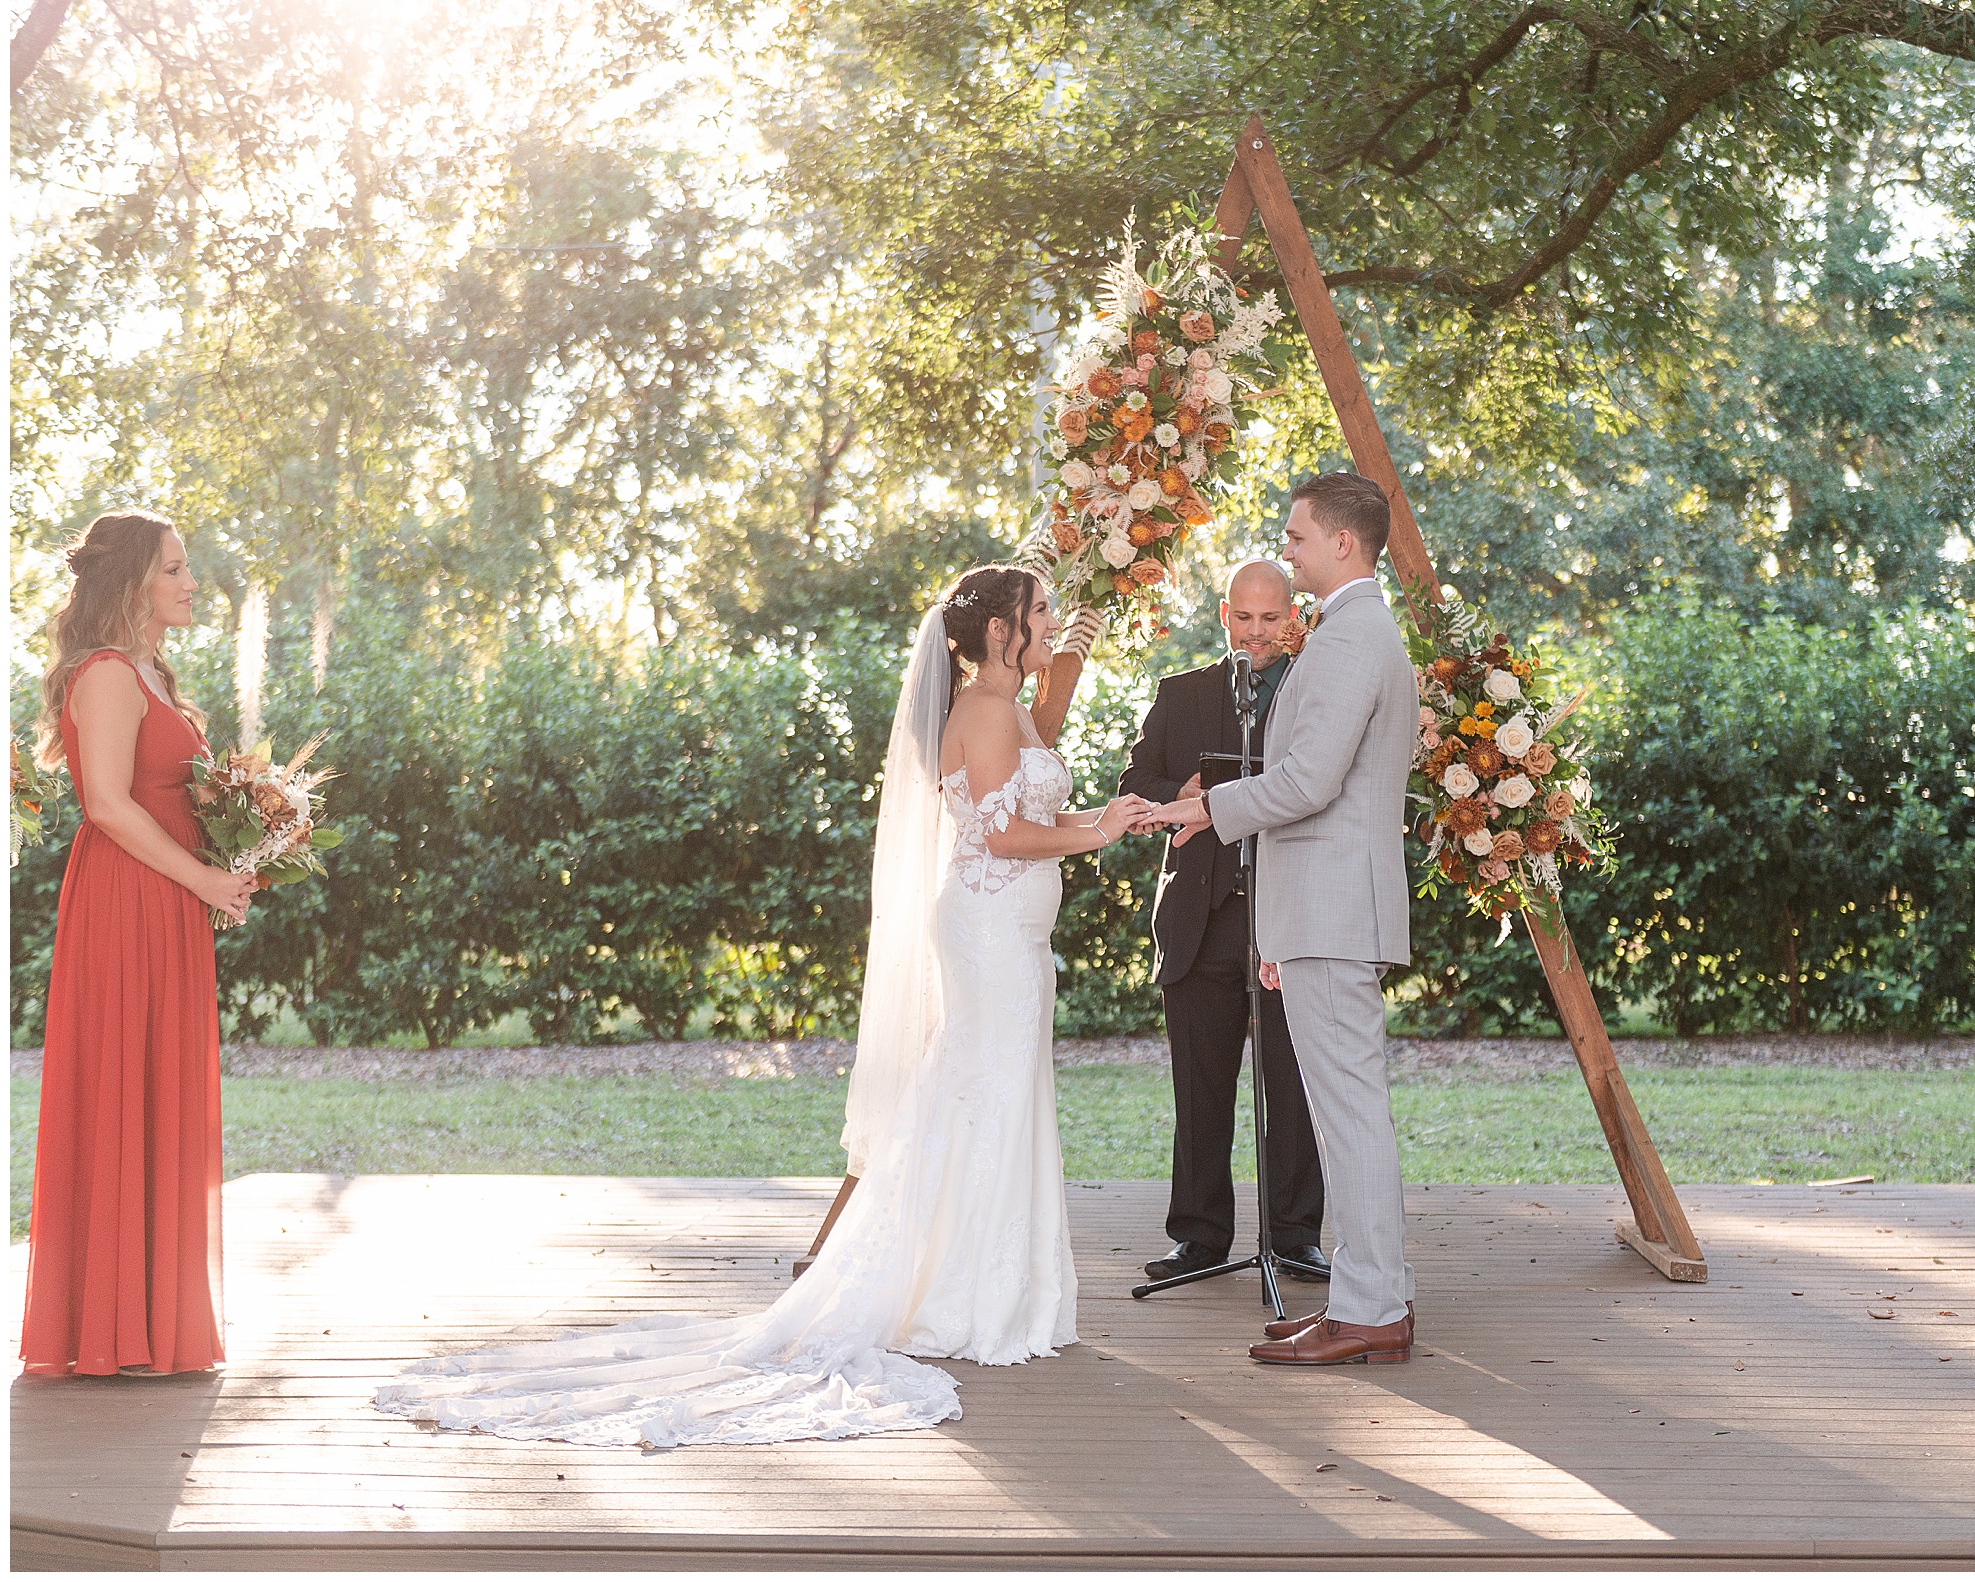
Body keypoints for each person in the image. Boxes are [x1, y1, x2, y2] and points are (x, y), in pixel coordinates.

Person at [372, 566, 1143, 1445]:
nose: (1052, 622)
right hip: (990, 928)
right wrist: (1098, 831)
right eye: (1041, 612)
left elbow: (1026, 790)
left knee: (993, 1096)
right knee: (986, 1095)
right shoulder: (982, 709)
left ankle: (981, 1287)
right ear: (1002, 633)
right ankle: (964, 1297)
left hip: (1011, 932)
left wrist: (1094, 761)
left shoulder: (1005, 708)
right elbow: (1002, 834)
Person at [1140, 472, 1420, 1365]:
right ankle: (1367, 1295)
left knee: (1351, 1116)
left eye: (1297, 537)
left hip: (1334, 910)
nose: (1288, 548)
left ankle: (1372, 1309)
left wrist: (1200, 809)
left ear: (1343, 543)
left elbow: (1306, 784)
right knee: (1348, 1114)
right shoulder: (1354, 632)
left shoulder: (1346, 639)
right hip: (1322, 911)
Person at [22, 510, 256, 1379]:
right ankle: (110, 1323)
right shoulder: (111, 674)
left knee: (163, 1084)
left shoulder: (155, 672)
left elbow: (168, 798)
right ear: (130, 583)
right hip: (126, 902)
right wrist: (201, 880)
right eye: (175, 568)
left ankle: (155, 1319)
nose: (191, 583)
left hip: (169, 903)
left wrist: (237, 854)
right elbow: (108, 807)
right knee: (125, 1078)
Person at [1118, 560, 1328, 1284]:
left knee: (1292, 1086)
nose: (1258, 632)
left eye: (1272, 618)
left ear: (1294, 616)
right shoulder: (1181, 694)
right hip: (1198, 923)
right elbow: (1133, 785)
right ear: (1223, 614)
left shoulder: (1315, 691)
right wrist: (1181, 793)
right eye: (1245, 617)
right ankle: (1200, 1238)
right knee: (1199, 1088)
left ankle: (1296, 1233)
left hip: (1289, 917)